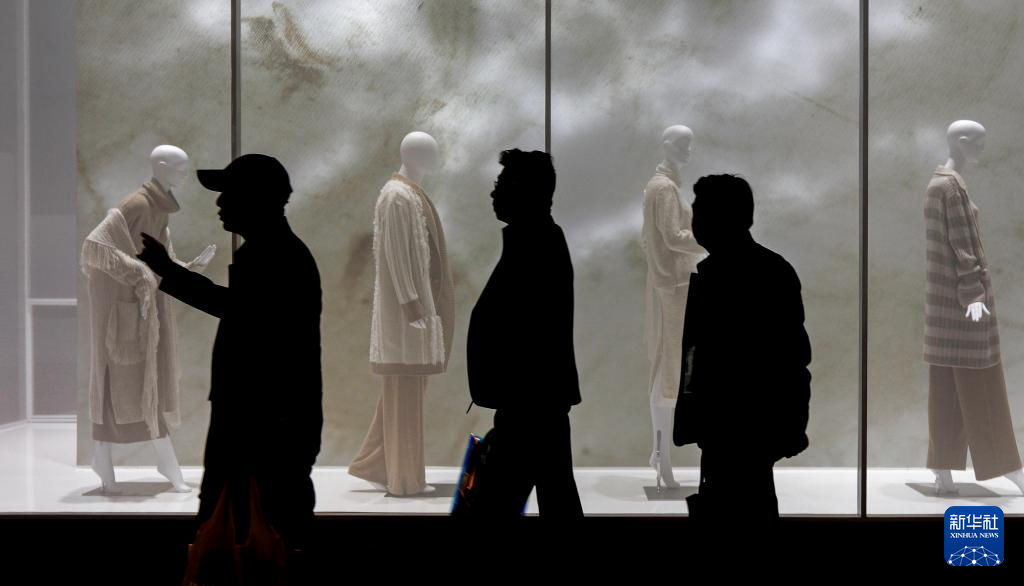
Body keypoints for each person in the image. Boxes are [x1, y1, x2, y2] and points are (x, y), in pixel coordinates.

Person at [136, 154, 323, 549]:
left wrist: (168, 271)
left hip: (263, 423)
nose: (220, 203)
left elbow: (241, 312)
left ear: (256, 200)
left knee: (258, 537)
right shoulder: (273, 251)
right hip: (264, 418)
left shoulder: (275, 255)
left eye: (229, 194)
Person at [672, 174, 811, 529]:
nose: (694, 221)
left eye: (699, 211)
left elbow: (789, 358)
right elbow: (794, 357)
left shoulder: (726, 275)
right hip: (743, 427)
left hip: (735, 425)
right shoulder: (770, 269)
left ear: (721, 217)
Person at [464, 148, 583, 518]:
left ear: (522, 189)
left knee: (494, 510)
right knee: (556, 499)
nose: (494, 192)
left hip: (527, 406)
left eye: (502, 183)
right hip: (533, 404)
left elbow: (528, 333)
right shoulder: (536, 239)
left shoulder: (535, 244)